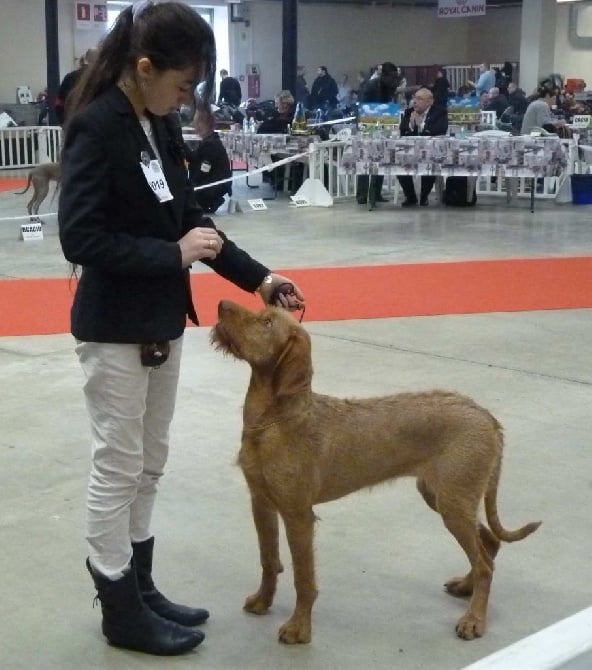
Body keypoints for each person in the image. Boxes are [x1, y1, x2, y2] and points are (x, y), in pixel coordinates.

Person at [58, 1, 304, 657]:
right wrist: (170, 256)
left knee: (150, 464)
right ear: (144, 67)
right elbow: (80, 237)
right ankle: (118, 605)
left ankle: (140, 586)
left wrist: (261, 280)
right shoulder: (98, 125)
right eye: (183, 83)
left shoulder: (157, 124)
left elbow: (195, 223)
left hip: (162, 324)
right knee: (118, 468)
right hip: (113, 330)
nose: (187, 96)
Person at [357, 61, 401, 205]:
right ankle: (362, 194)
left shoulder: (390, 86)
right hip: (368, 126)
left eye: (396, 77)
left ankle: (376, 192)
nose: (394, 80)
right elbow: (363, 107)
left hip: (384, 126)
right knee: (365, 160)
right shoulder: (371, 85)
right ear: (384, 75)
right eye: (392, 77)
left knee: (381, 159)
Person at [397, 87, 448, 207]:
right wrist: (411, 124)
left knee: (430, 163)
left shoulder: (439, 112)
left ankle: (424, 196)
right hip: (410, 152)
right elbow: (403, 131)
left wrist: (421, 125)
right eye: (414, 98)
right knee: (398, 163)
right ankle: (410, 196)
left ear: (430, 101)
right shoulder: (409, 112)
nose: (414, 101)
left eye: (419, 99)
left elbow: (440, 130)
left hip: (432, 152)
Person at [187, 98, 232, 213]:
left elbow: (204, 169)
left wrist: (190, 185)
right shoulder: (209, 140)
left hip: (215, 184)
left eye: (197, 123)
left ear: (204, 123)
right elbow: (196, 159)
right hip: (214, 180)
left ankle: (211, 201)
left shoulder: (211, 144)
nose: (195, 127)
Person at [54, 48, 98, 125]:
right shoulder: (101, 78)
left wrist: (64, 122)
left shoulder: (70, 77)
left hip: (72, 123)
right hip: (94, 123)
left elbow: (59, 103)